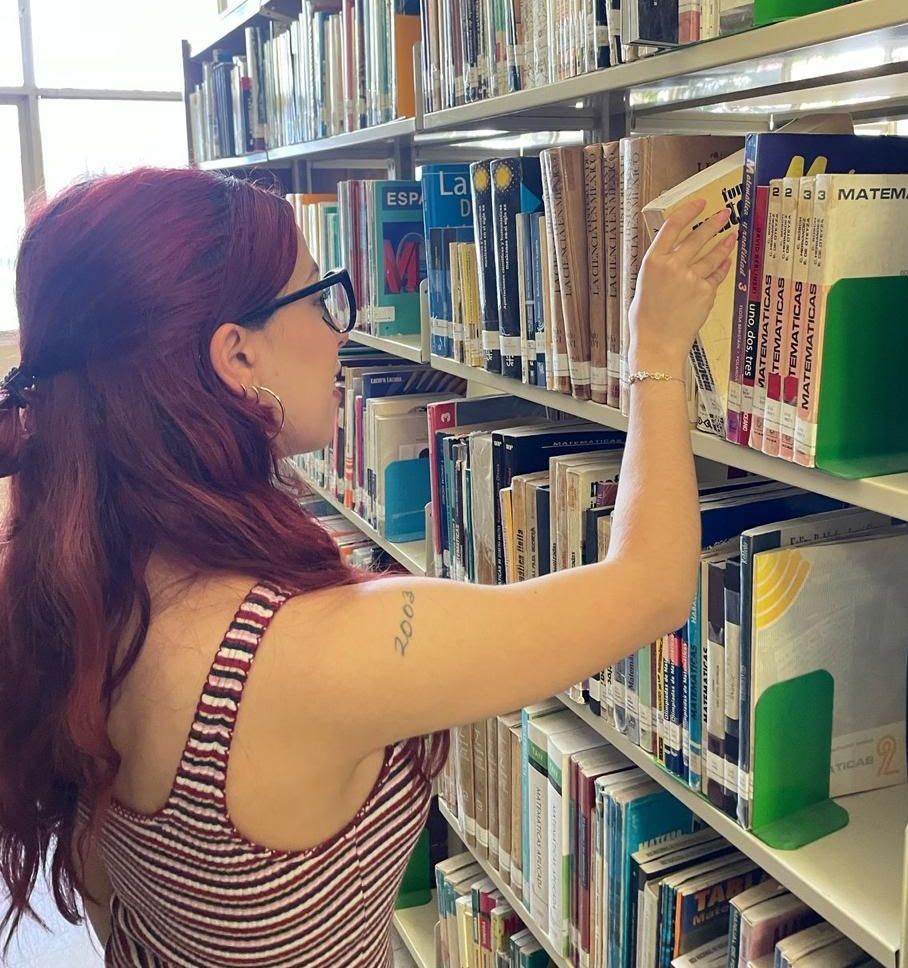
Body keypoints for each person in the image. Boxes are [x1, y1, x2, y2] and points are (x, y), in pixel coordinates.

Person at [0, 166, 734, 967]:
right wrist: (656, 353)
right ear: (236, 353)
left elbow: (105, 884)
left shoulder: (70, 572)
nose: (340, 331)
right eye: (319, 299)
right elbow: (652, 588)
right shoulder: (311, 651)